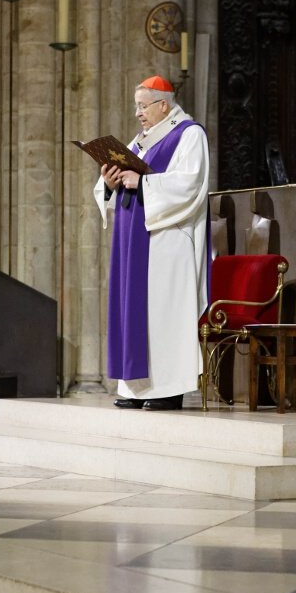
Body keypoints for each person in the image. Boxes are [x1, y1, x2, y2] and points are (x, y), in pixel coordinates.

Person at [93, 75, 210, 411]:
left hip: (167, 242)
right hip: (133, 240)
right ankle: (136, 389)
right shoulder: (140, 141)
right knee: (135, 311)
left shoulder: (189, 134)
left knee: (162, 315)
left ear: (163, 104)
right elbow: (117, 189)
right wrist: (110, 182)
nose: (138, 114)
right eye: (136, 106)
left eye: (143, 106)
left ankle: (169, 390)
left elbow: (190, 184)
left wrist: (142, 182)